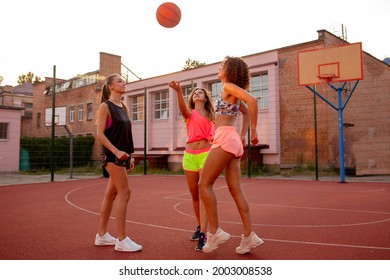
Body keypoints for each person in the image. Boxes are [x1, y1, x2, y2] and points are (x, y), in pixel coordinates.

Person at [199, 56, 264, 254]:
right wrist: (242, 135)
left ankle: (215, 231)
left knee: (204, 184)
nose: (219, 68)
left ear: (230, 71)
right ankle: (248, 236)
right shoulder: (228, 91)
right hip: (231, 139)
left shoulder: (228, 87)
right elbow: (244, 111)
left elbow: (252, 101)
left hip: (226, 138)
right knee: (236, 190)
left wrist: (253, 130)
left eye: (222, 66)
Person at [94, 74, 142, 252]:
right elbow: (99, 134)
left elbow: (126, 134)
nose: (124, 83)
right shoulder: (105, 106)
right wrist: (116, 152)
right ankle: (121, 240)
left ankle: (101, 235)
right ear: (111, 86)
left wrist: (130, 156)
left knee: (110, 195)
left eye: (124, 80)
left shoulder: (123, 106)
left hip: (123, 156)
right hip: (112, 156)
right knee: (125, 192)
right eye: (120, 81)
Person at [168, 81, 215, 251]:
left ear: (205, 98)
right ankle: (199, 225)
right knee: (194, 194)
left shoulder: (212, 116)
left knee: (203, 192)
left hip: (206, 154)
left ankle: (204, 233)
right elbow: (181, 107)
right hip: (189, 156)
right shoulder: (189, 114)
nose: (197, 93)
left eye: (200, 92)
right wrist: (178, 91)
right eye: (194, 92)